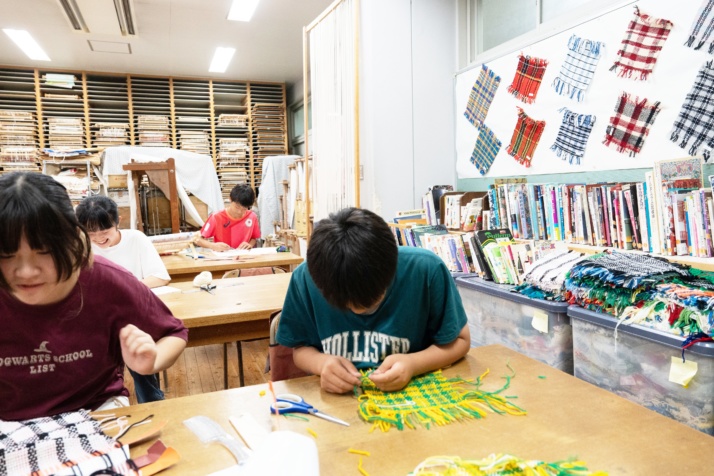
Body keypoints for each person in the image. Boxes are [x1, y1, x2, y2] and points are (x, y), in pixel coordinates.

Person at [0, 172, 187, 421]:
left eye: (44, 252)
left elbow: (173, 333)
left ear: (69, 238)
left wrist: (151, 362)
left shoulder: (107, 281)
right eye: (6, 255)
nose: (26, 272)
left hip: (95, 411)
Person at [276, 207, 470, 394]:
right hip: (336, 402)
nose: (359, 311)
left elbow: (461, 340)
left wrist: (413, 364)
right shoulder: (306, 278)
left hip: (416, 396)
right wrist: (321, 363)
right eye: (347, 304)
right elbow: (299, 349)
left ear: (392, 267)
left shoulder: (426, 270)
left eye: (373, 299)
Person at [75, 194, 172, 403]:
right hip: (96, 322)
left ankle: (152, 406)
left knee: (144, 374)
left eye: (105, 231)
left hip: (133, 319)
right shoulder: (81, 245)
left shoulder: (135, 239)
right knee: (98, 381)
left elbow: (160, 277)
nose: (99, 238)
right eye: (91, 233)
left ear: (118, 221)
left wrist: (124, 291)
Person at [196, 183, 260, 252]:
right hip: (223, 259)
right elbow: (197, 239)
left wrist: (249, 245)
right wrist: (213, 246)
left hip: (244, 257)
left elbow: (254, 237)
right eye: (237, 207)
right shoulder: (216, 217)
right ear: (230, 199)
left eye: (244, 209)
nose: (239, 212)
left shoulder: (252, 216)